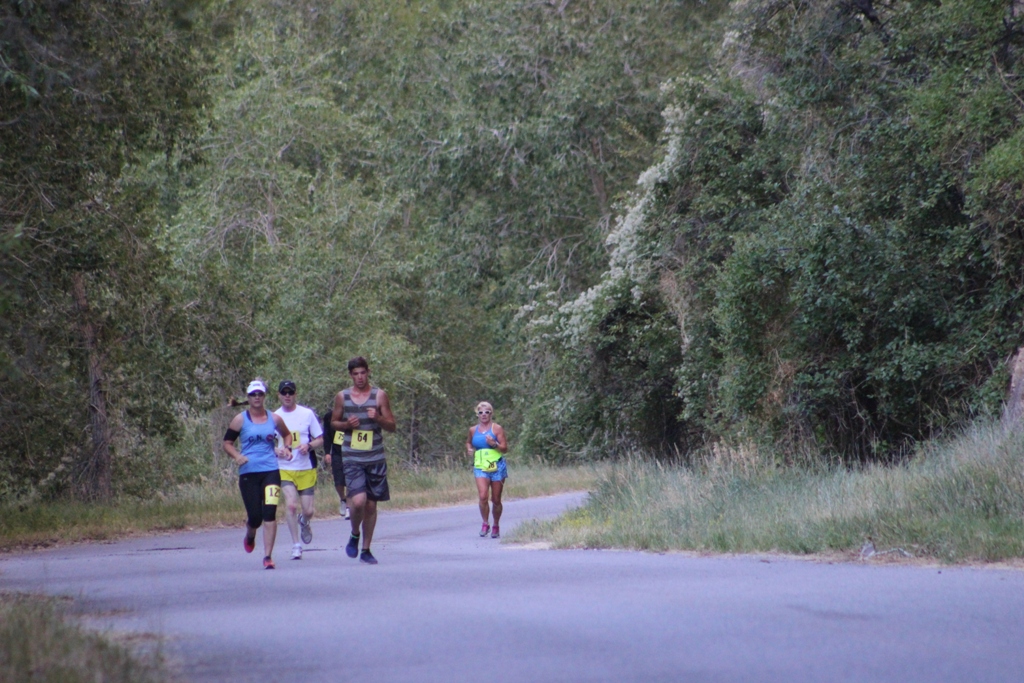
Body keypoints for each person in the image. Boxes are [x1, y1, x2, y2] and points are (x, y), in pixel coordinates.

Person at [331, 356, 396, 565]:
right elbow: (333, 423)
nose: (360, 377)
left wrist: (377, 418)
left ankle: (366, 549)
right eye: (355, 374)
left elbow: (392, 425)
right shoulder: (342, 397)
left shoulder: (379, 396)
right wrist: (346, 425)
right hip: (353, 457)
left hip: (375, 458)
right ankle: (354, 533)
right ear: (351, 375)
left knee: (370, 505)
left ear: (368, 372)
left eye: (363, 373)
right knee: (357, 501)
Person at [222, 379, 293, 569]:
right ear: (248, 397)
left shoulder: (274, 418)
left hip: (270, 471)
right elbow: (227, 443)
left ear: (264, 396)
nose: (257, 398)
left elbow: (287, 434)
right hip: (249, 473)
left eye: (260, 394)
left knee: (270, 513)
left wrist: (287, 448)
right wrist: (237, 456)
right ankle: (250, 533)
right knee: (255, 516)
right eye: (253, 394)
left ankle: (268, 556)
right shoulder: (240, 419)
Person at [274, 380, 324, 560]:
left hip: (305, 468)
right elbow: (265, 444)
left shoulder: (307, 414)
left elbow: (320, 438)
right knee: (291, 505)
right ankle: (296, 545)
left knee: (308, 510)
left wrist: (309, 445)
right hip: (284, 468)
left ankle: (305, 521)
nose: (287, 396)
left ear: (295, 394)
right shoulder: (274, 417)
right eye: (284, 392)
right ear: (279, 395)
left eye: (290, 392)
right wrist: (277, 450)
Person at [466, 401, 508, 538]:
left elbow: (505, 449)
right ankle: (485, 523)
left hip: (497, 467)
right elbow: (468, 441)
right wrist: (469, 448)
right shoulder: (473, 430)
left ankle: (496, 524)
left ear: (491, 414)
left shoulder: (497, 429)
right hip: (480, 467)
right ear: (477, 414)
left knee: (496, 499)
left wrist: (494, 444)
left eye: (487, 412)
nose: (484, 415)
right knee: (483, 496)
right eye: (481, 412)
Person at [322, 407, 350, 520]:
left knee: (350, 479)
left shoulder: (351, 415)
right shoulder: (329, 417)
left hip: (351, 452)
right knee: (338, 480)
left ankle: (349, 507)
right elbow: (327, 436)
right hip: (337, 452)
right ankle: (343, 499)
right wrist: (327, 453)